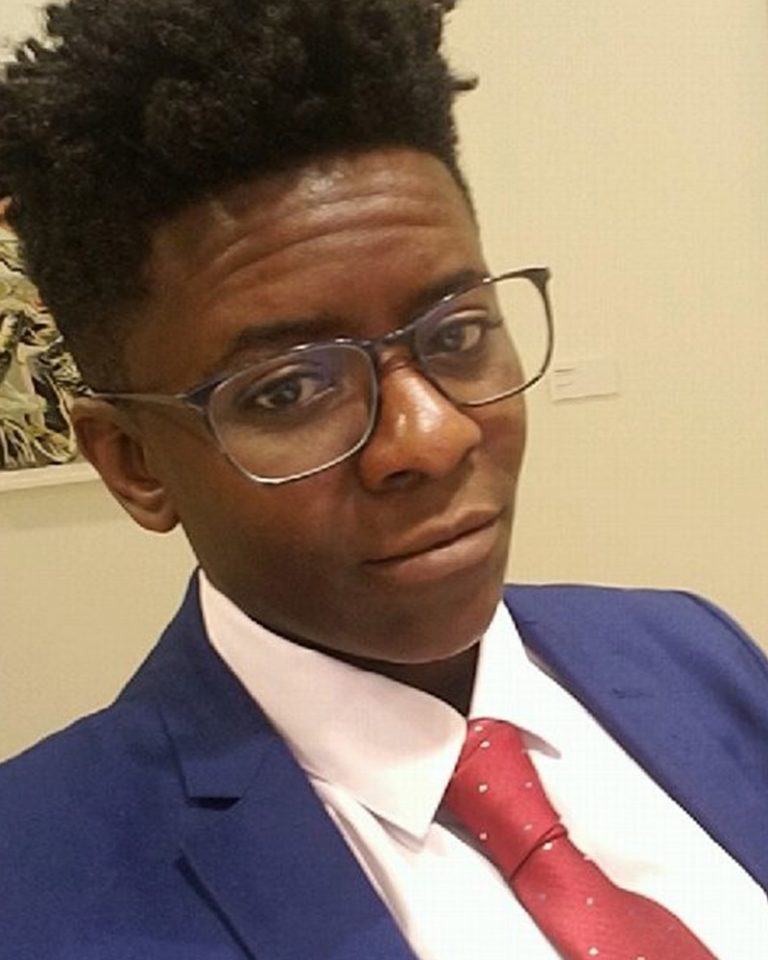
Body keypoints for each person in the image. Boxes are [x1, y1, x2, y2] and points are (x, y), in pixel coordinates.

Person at [0, 1, 766, 957]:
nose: (433, 436)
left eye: (458, 333)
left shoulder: (689, 651)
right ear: (134, 463)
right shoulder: (35, 884)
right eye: (289, 390)